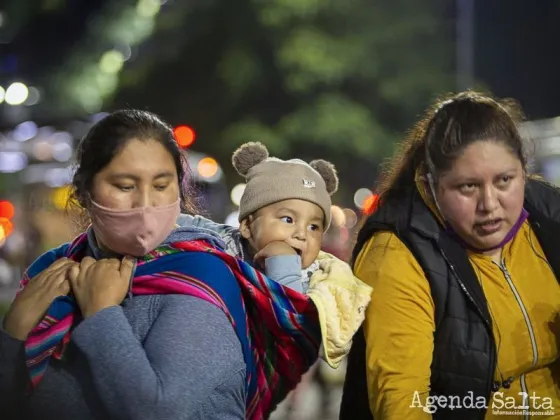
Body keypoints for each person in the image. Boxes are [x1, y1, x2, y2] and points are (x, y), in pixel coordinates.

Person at [0, 110, 325, 420]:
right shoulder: (55, 270)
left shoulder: (202, 278)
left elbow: (159, 412)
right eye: (125, 186)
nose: (145, 204)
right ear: (84, 191)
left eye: (160, 185)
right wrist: (12, 333)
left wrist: (101, 315)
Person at [340, 91, 560, 419]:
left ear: (523, 171)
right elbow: (403, 404)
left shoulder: (548, 213)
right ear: (431, 185)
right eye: (468, 187)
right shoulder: (396, 252)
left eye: (504, 180)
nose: (490, 204)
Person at [178, 142, 373, 368]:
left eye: (314, 227)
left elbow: (300, 336)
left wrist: (284, 266)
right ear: (248, 226)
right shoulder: (221, 241)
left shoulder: (321, 278)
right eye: (288, 219)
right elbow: (169, 227)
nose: (302, 234)